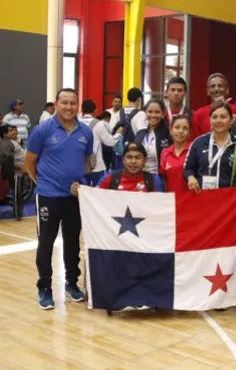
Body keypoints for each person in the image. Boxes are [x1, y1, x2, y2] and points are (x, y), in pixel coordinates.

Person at [25, 88, 94, 310]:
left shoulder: (86, 132)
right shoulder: (42, 130)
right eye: (64, 103)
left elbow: (85, 162)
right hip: (48, 196)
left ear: (78, 105)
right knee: (45, 243)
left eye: (73, 103)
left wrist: (80, 184)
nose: (68, 107)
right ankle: (44, 287)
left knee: (73, 242)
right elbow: (30, 161)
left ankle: (71, 283)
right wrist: (41, 183)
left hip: (74, 198)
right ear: (56, 104)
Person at [184, 101, 236, 192]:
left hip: (231, 201)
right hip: (204, 199)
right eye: (214, 117)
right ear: (210, 120)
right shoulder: (198, 143)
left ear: (231, 120)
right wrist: (190, 177)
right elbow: (188, 169)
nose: (218, 120)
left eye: (223, 117)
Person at [78, 99, 119, 186]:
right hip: (96, 165)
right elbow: (109, 142)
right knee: (97, 193)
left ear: (81, 110)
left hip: (79, 165)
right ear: (95, 110)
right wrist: (118, 135)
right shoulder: (99, 124)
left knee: (81, 194)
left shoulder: (76, 123)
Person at [97, 142, 164, 192]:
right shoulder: (109, 178)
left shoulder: (153, 180)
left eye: (138, 157)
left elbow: (158, 207)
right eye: (129, 157)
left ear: (145, 160)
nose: (133, 161)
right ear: (123, 160)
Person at [134, 99, 172, 175]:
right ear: (145, 112)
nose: (153, 115)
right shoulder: (140, 134)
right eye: (150, 112)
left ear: (163, 114)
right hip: (139, 177)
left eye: (157, 112)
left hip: (159, 178)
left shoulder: (169, 133)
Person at [159, 115, 191, 193]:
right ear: (170, 130)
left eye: (185, 128)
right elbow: (163, 180)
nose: (181, 131)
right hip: (171, 200)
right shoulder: (165, 152)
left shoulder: (194, 149)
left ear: (189, 132)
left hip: (191, 200)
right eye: (177, 127)